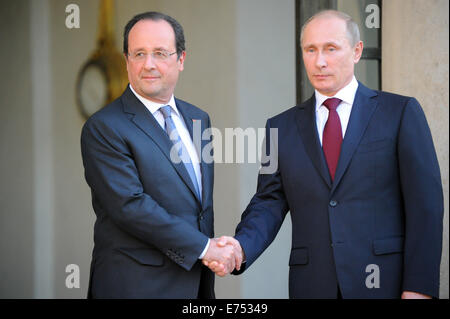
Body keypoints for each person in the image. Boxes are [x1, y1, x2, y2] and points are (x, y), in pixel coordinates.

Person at [206, 10, 443, 299]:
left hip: (384, 284)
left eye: (331, 49)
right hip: (312, 285)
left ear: (357, 51)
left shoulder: (400, 113)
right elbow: (268, 202)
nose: (319, 61)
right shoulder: (279, 127)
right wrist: (240, 247)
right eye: (310, 50)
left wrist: (419, 288)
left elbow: (425, 206)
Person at [81, 11, 239, 299]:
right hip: (134, 286)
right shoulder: (104, 127)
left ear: (181, 59)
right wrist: (206, 248)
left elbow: (198, 204)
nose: (148, 64)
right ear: (126, 60)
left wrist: (211, 250)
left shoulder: (197, 119)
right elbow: (131, 206)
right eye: (138, 54)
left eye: (160, 53)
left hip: (195, 285)